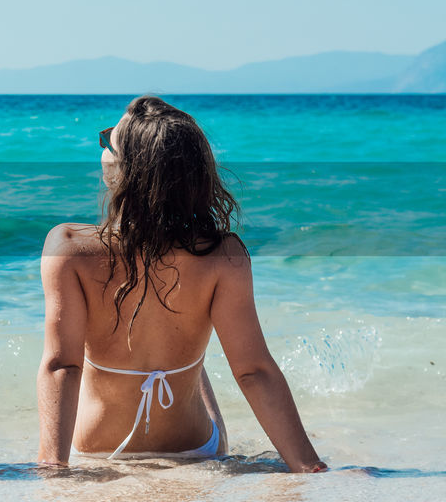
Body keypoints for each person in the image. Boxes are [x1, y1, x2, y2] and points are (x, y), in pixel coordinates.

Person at [37, 96, 326, 472]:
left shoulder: (69, 249)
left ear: (126, 171)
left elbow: (62, 366)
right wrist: (308, 466)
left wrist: (52, 466)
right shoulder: (223, 256)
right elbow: (253, 371)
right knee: (187, 346)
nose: (104, 147)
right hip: (196, 448)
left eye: (109, 141)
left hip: (95, 448)